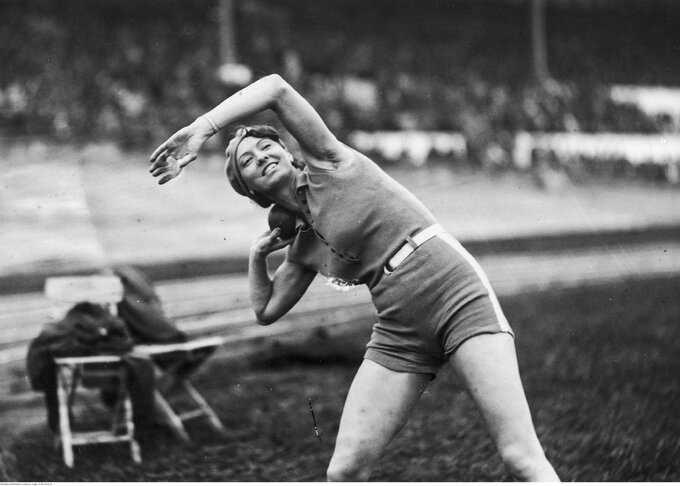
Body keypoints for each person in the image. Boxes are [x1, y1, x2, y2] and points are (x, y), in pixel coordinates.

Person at [149, 74, 560, 482]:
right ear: (251, 192)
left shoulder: (331, 163)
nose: (259, 156)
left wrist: (204, 127)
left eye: (265, 145)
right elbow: (265, 310)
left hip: (452, 291)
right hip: (400, 327)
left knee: (520, 457)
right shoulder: (303, 246)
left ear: (287, 151)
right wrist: (258, 256)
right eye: (247, 161)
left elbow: (275, 87)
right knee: (344, 471)